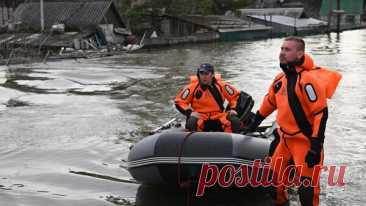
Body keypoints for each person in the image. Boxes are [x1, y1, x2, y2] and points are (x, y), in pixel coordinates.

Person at [247, 36, 341, 206]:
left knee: (306, 192)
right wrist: (253, 124)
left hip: (304, 143)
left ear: (299, 54)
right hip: (284, 140)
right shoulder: (279, 80)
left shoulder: (308, 81)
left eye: (287, 50)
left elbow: (321, 113)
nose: (282, 53)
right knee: (272, 185)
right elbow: (269, 103)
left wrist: (315, 145)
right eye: (282, 49)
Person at [174, 63, 242, 133]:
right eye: (201, 73)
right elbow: (179, 102)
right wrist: (190, 112)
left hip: (218, 116)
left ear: (212, 75)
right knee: (191, 122)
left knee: (235, 121)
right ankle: (194, 142)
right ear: (198, 74)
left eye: (206, 73)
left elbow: (235, 97)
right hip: (201, 117)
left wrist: (233, 109)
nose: (204, 76)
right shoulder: (192, 87)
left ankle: (232, 140)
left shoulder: (221, 85)